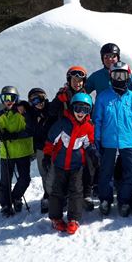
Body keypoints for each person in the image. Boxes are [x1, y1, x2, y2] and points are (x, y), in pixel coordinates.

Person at [43, 93, 100, 235]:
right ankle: (56, 218)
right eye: (78, 108)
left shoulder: (88, 126)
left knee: (76, 191)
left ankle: (74, 219)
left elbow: (89, 142)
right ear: (72, 108)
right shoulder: (63, 123)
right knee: (57, 191)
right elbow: (51, 140)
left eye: (85, 110)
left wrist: (93, 153)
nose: (81, 113)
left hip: (76, 165)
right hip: (60, 163)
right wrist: (47, 155)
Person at [93, 61, 132, 217]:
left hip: (128, 141)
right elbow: (98, 120)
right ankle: (105, 199)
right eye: (116, 75)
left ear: (128, 77)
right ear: (110, 76)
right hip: (108, 140)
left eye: (123, 75)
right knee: (106, 171)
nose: (119, 78)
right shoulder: (103, 97)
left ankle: (124, 199)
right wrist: (97, 139)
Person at [49, 66, 97, 211]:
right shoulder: (63, 94)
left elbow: (92, 115)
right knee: (63, 167)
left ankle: (86, 193)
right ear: (69, 80)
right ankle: (62, 196)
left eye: (80, 80)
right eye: (74, 79)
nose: (77, 82)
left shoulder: (86, 96)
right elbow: (51, 112)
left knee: (86, 165)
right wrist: (58, 100)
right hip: (65, 135)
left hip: (82, 135)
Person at [0, 86, 34, 217]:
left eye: (12, 98)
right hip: (6, 153)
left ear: (17, 98)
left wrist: (14, 136)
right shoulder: (0, 115)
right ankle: (6, 205)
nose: (9, 101)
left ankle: (15, 197)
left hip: (23, 151)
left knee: (25, 179)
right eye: (5, 98)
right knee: (5, 181)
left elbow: (30, 130)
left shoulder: (22, 112)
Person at [26, 88, 56, 214]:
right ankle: (47, 196)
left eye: (40, 98)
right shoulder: (31, 114)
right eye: (34, 101)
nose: (38, 103)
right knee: (44, 172)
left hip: (54, 147)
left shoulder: (51, 109)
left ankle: (56, 195)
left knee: (54, 172)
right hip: (40, 148)